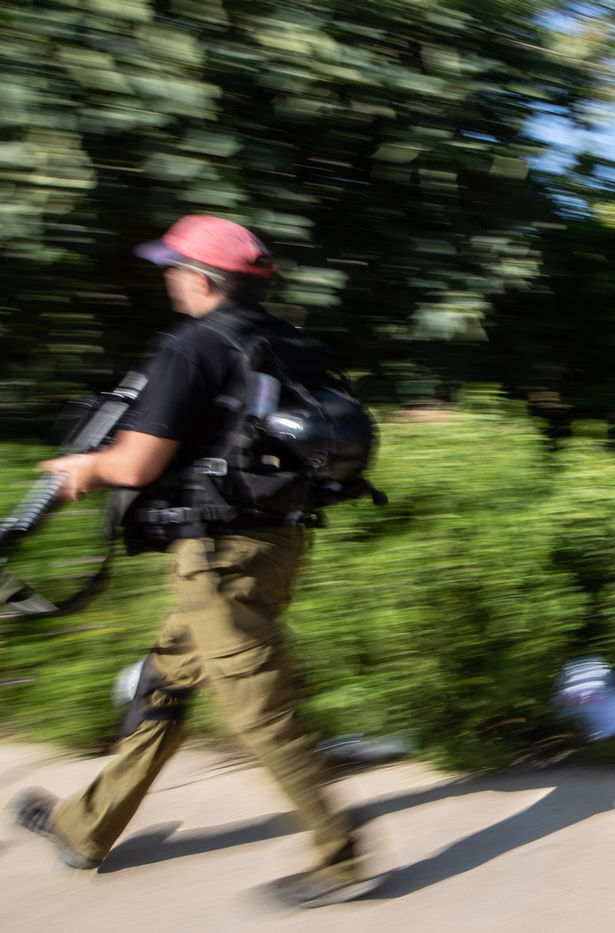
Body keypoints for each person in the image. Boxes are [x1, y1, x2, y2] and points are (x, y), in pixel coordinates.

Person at [9, 215, 381, 907]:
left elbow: (138, 461)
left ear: (203, 278)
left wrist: (80, 468)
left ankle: (342, 861)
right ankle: (84, 826)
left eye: (175, 267)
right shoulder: (283, 341)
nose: (169, 278)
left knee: (259, 708)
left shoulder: (191, 346)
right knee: (164, 684)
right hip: (275, 541)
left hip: (219, 557)